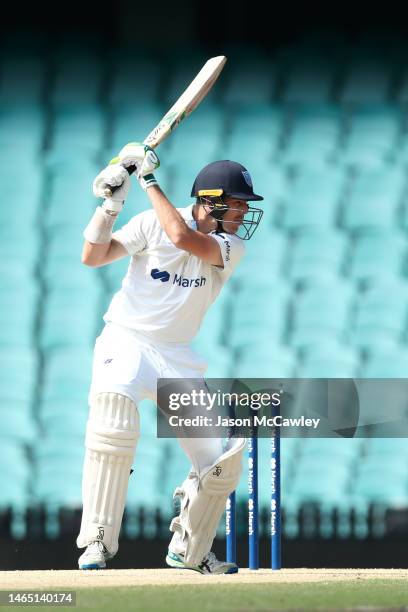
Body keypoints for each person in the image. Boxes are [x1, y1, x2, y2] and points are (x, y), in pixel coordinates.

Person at [76, 143, 264, 574]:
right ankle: (97, 542)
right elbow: (93, 256)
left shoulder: (230, 244)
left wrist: (145, 178)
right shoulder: (148, 223)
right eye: (236, 205)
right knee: (112, 422)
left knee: (219, 463)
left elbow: (182, 236)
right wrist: (110, 205)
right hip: (126, 341)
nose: (242, 215)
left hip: (177, 360)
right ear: (210, 202)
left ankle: (190, 552)